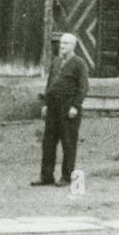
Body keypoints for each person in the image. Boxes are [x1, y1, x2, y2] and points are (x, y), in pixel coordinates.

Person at [34, 33, 89, 187]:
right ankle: (46, 176)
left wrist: (75, 106)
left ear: (73, 46)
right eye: (61, 43)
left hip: (68, 109)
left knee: (68, 143)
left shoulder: (79, 63)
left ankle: (66, 177)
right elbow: (50, 83)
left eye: (66, 43)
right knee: (48, 143)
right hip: (53, 108)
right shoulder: (56, 62)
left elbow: (83, 87)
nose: (62, 46)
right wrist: (46, 104)